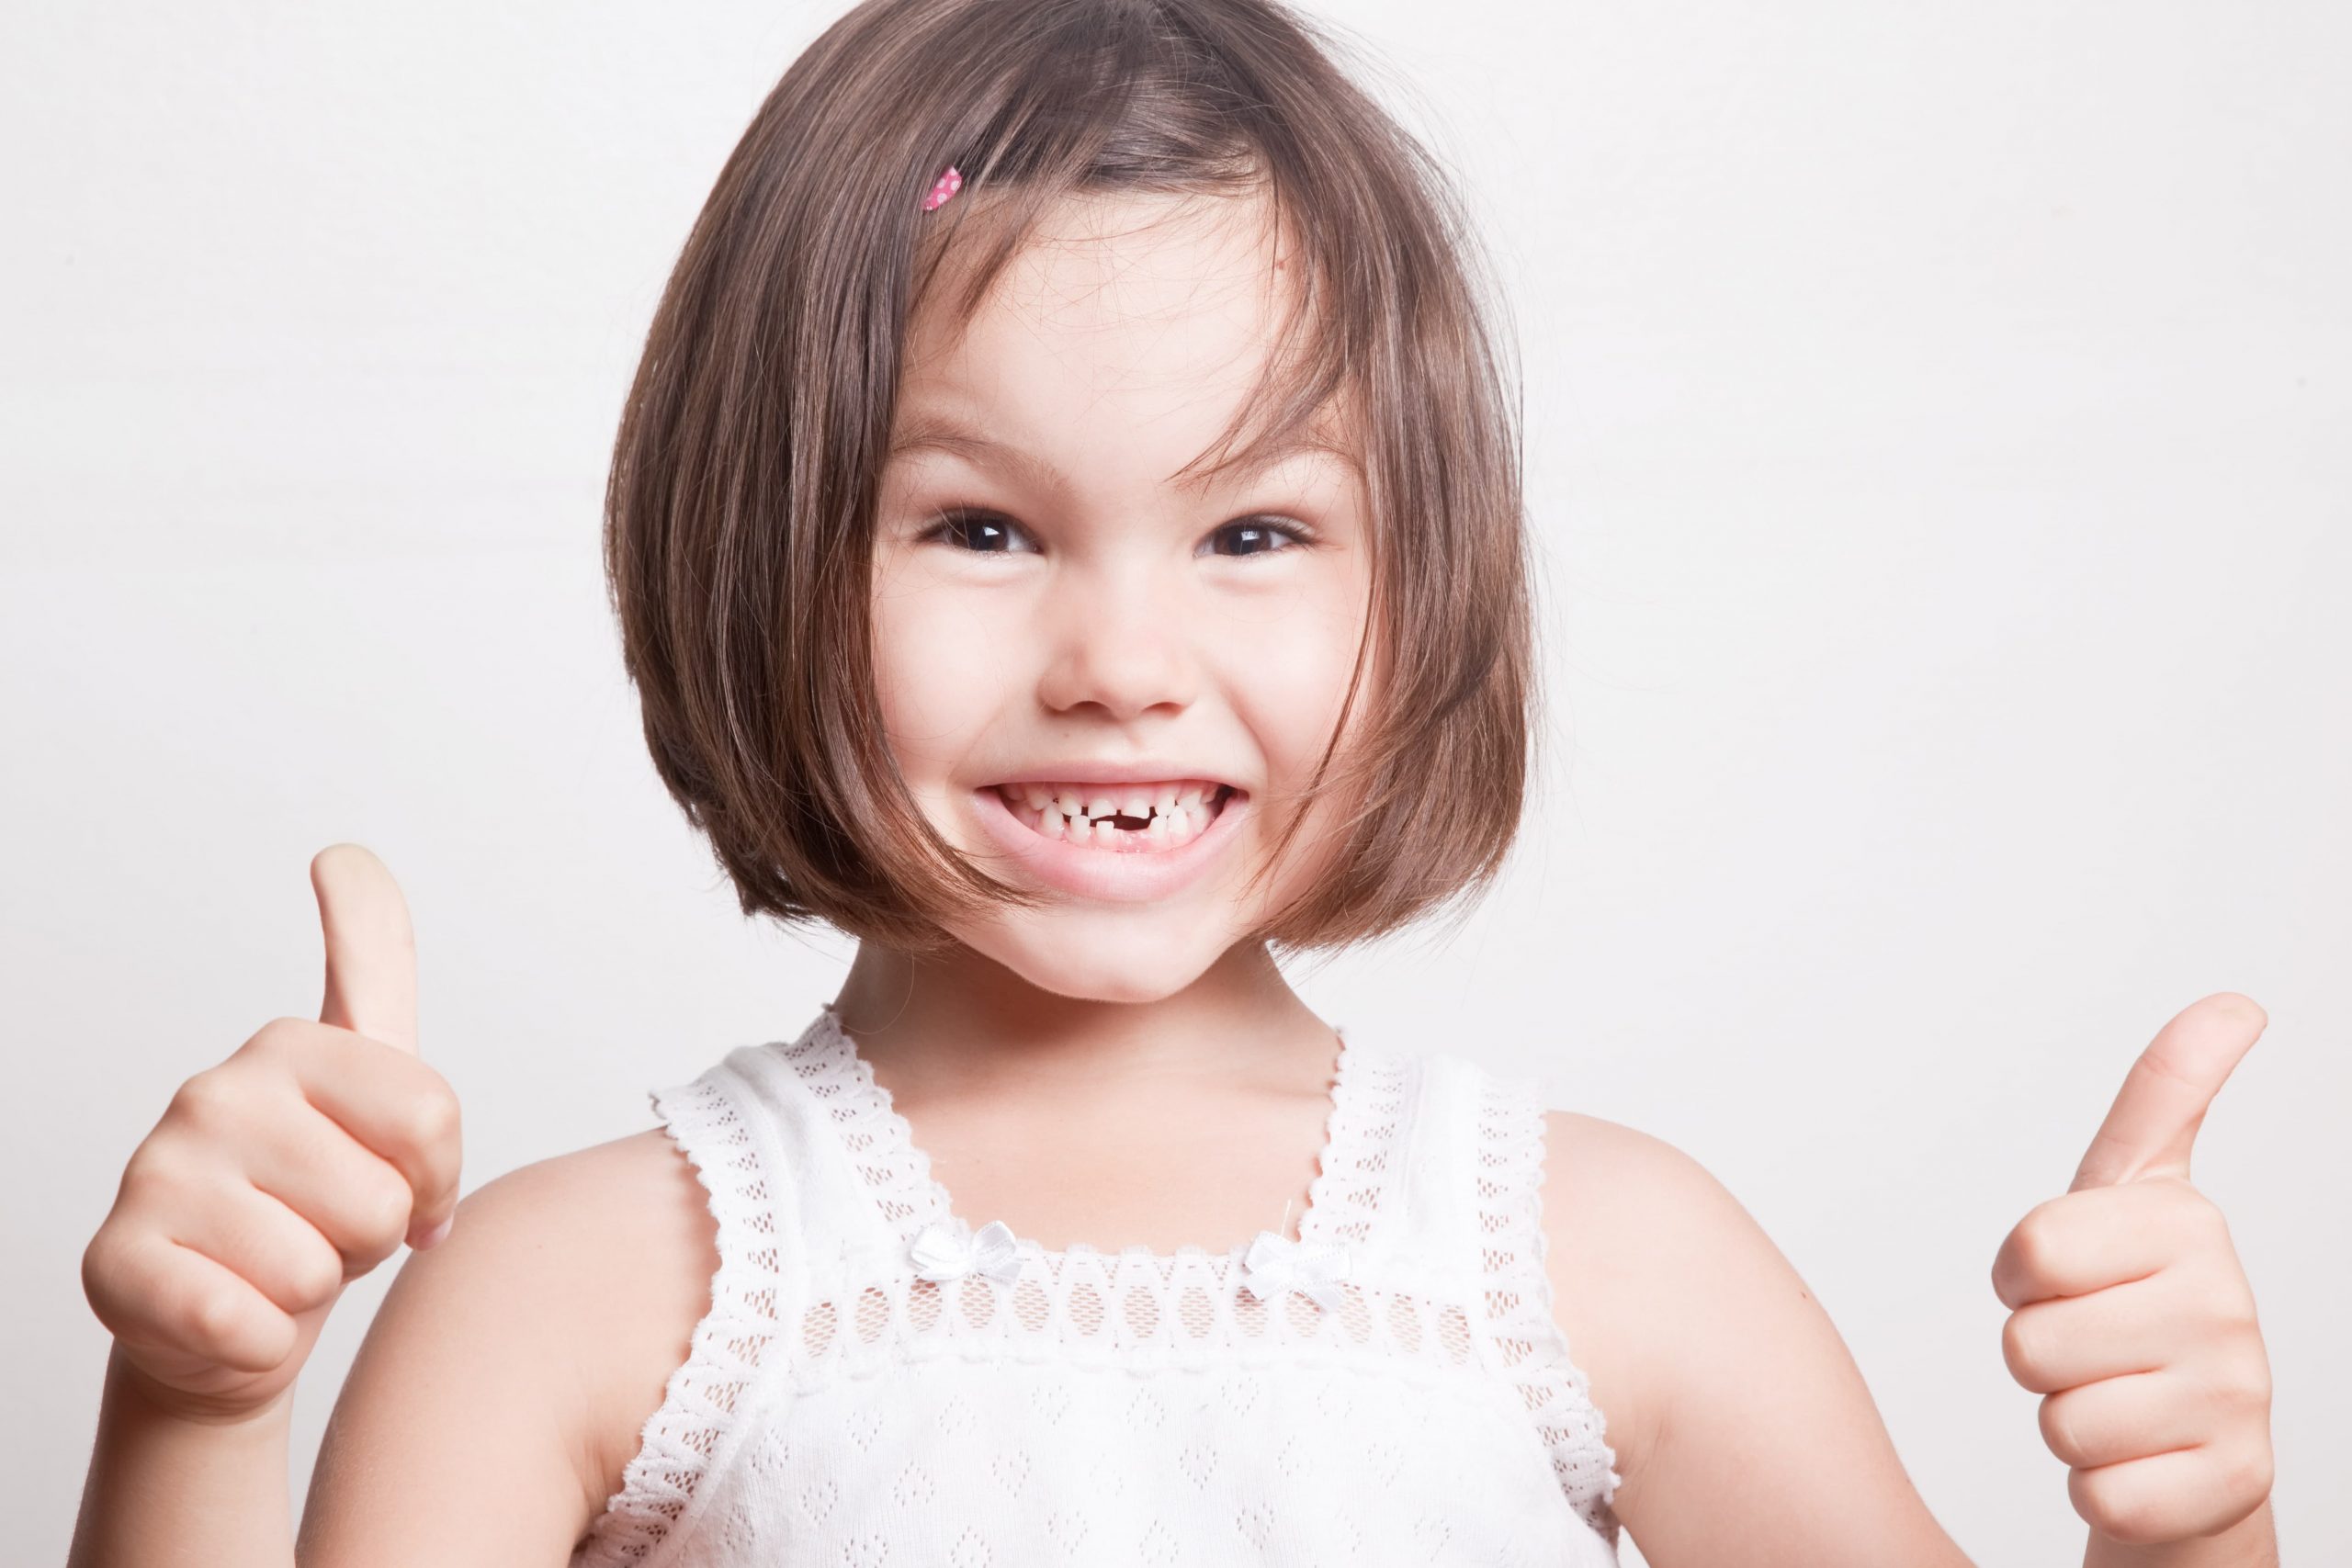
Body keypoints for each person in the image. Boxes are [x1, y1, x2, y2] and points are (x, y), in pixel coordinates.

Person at [68, 0, 2279, 1563]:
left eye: (1251, 534)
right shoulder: (574, 1291)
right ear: (753, 548)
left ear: (1417, 595)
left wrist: (2193, 1529)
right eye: (979, 527)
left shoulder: (1606, 1260)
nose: (1121, 664)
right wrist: (199, 1400)